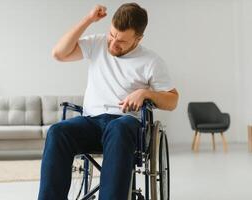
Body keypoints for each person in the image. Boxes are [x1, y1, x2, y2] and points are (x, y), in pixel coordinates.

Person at [38, 3, 179, 200]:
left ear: (138, 39)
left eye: (121, 41)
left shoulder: (151, 61)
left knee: (118, 128)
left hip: (125, 124)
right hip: (91, 122)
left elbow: (172, 100)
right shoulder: (97, 44)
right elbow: (59, 53)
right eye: (112, 35)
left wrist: (145, 93)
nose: (113, 44)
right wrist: (88, 20)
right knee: (57, 131)